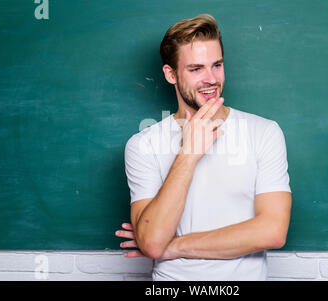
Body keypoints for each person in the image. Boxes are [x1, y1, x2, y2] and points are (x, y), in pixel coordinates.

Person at [115, 14, 292, 281]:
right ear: (170, 74)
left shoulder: (264, 132)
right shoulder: (143, 145)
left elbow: (273, 231)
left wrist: (173, 246)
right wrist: (188, 154)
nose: (211, 79)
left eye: (217, 65)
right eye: (196, 69)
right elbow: (151, 243)